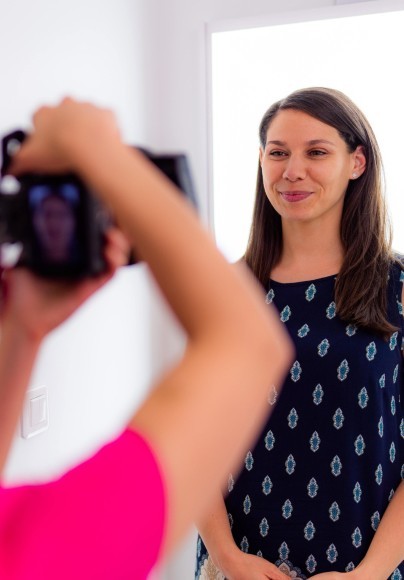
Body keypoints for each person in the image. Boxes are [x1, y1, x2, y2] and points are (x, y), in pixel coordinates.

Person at [0, 98, 292, 579]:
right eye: (277, 152)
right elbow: (249, 344)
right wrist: (91, 143)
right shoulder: (36, 553)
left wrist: (21, 329)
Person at [196, 87, 404, 580]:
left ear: (357, 163)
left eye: (316, 152)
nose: (292, 170)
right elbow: (193, 439)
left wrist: (368, 574)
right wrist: (227, 557)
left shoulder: (397, 287)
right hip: (240, 566)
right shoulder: (225, 290)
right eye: (278, 152)